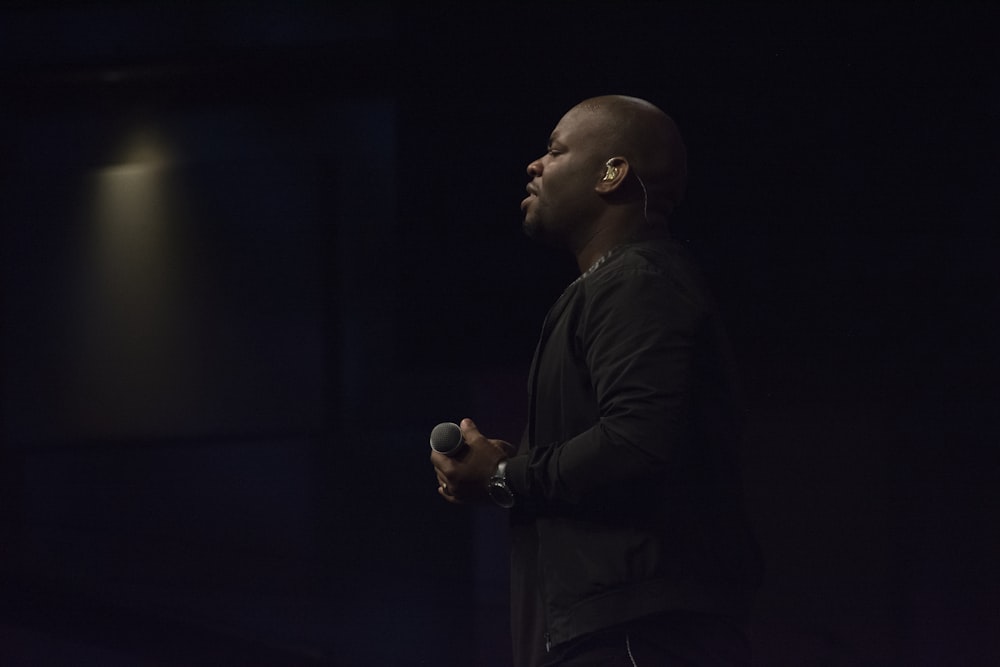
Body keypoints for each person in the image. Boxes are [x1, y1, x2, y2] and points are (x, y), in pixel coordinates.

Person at [430, 95, 762, 666]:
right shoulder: (613, 285)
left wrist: (507, 475)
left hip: (635, 633)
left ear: (612, 173)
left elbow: (638, 441)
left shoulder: (638, 280)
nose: (534, 164)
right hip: (609, 631)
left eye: (556, 150)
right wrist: (515, 467)